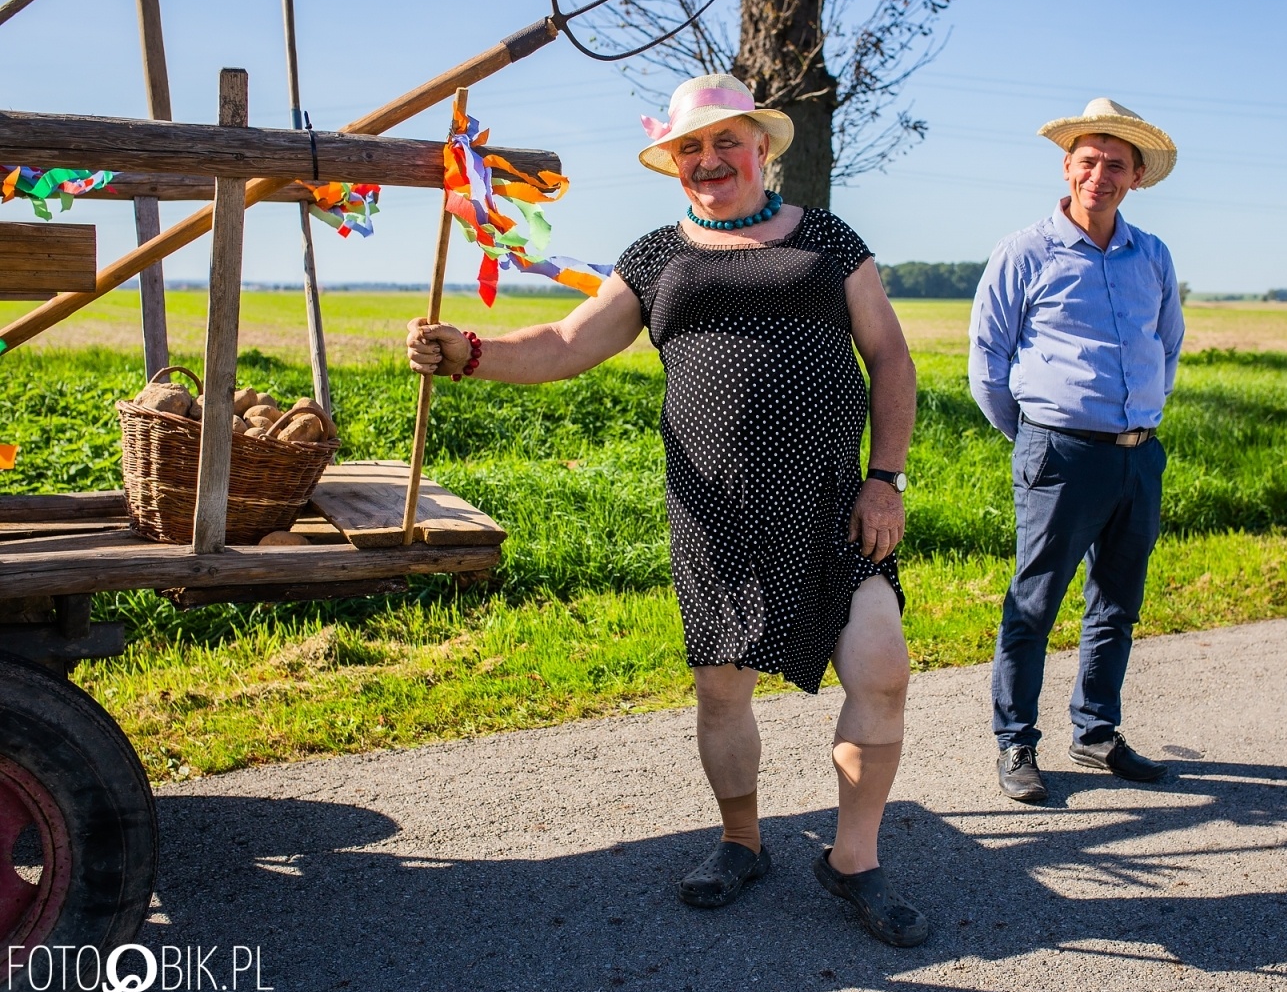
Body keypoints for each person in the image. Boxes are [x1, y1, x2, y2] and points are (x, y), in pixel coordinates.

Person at [407, 74, 928, 947]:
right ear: (675, 164)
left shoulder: (830, 242)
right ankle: (741, 840)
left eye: (728, 142)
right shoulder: (655, 257)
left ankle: (854, 861)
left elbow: (893, 359)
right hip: (717, 510)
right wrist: (470, 351)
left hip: (838, 504)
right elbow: (567, 343)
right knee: (722, 689)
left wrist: (887, 478)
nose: (710, 159)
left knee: (881, 669)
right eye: (692, 147)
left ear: (761, 150)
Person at [967, 98, 1184, 804]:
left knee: (1117, 604)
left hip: (1137, 455)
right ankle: (1015, 742)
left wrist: (1138, 420)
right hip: (1059, 454)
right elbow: (987, 362)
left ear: (1136, 176)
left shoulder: (1151, 255)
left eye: (1114, 163)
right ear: (1067, 167)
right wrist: (1037, 437)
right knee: (1034, 604)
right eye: (1088, 160)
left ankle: (1095, 731)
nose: (1100, 173)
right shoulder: (1025, 251)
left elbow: (1167, 346)